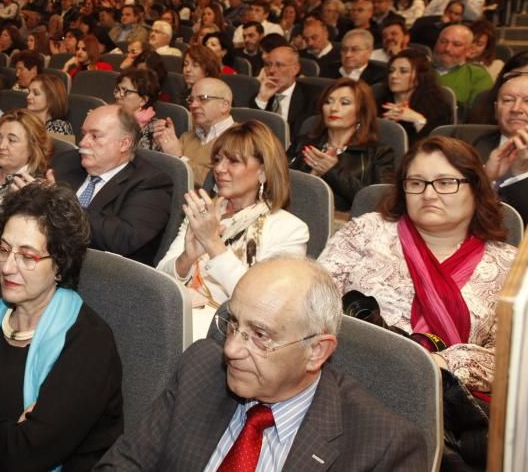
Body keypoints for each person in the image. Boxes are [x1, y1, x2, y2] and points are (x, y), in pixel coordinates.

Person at [95, 256, 428, 470]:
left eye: (259, 335)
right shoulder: (201, 369)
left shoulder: (384, 448)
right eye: (234, 324)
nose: (232, 349)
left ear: (316, 351)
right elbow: (123, 464)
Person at [320, 137, 515, 463]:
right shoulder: (368, 231)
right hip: (344, 384)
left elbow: (513, 362)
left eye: (445, 182)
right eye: (416, 182)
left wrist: (446, 363)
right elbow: (312, 299)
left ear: (475, 187)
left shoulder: (510, 266)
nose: (428, 193)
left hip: (442, 413)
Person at [0, 183, 123, 470]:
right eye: (4, 249)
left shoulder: (88, 344)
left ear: (60, 265)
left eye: (27, 256)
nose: (7, 266)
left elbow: (27, 454)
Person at [157, 121, 309, 337]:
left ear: (263, 172)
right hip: (178, 315)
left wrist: (212, 243)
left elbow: (262, 303)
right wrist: (186, 258)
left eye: (233, 162)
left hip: (231, 333)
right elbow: (161, 277)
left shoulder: (289, 229)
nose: (219, 169)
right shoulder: (204, 213)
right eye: (218, 160)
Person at [50, 105, 172, 266]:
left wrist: (63, 205)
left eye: (94, 136)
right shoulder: (66, 161)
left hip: (101, 272)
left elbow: (123, 238)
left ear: (124, 144)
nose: (82, 143)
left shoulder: (151, 182)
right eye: (84, 134)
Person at [288, 78, 394, 212]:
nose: (334, 108)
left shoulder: (380, 153)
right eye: (328, 102)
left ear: (361, 112)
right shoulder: (303, 143)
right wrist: (312, 177)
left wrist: (333, 171)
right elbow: (279, 183)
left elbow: (378, 203)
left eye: (344, 103)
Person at [153, 77, 234, 186]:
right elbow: (167, 179)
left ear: (224, 105)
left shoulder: (240, 139)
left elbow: (220, 183)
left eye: (203, 99)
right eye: (191, 100)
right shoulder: (187, 136)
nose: (193, 105)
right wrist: (163, 149)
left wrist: (179, 158)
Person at [472, 72, 528, 223]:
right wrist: (487, 179)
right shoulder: (466, 143)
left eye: (527, 101)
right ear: (496, 110)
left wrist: (521, 175)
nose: (516, 108)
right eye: (508, 100)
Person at [378, 49, 453, 144]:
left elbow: (436, 145)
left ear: (419, 77)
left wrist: (418, 120)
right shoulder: (377, 100)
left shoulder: (438, 107)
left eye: (403, 71)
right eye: (391, 71)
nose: (394, 75)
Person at [252, 45, 319, 140]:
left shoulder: (312, 98)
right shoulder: (259, 95)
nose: (271, 70)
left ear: (295, 69)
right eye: (268, 65)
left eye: (279, 65)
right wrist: (262, 99)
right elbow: (250, 133)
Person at [433, 24, 493, 109]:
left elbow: (477, 113)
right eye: (443, 41)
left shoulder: (478, 76)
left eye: (456, 44)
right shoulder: (419, 68)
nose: (447, 48)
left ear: (469, 51)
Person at [114, 67, 161, 150]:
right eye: (118, 90)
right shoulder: (110, 118)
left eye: (125, 91)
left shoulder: (154, 130)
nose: (117, 96)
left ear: (143, 100)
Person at [26, 73, 74, 137]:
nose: (28, 97)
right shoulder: (25, 121)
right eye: (29, 92)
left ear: (51, 98)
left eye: (36, 93)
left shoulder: (60, 127)